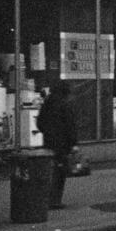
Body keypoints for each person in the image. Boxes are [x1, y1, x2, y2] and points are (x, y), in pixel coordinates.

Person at [38, 81, 79, 209]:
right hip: (62, 143)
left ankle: (46, 198)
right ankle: (55, 200)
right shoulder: (66, 104)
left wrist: (47, 132)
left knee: (49, 170)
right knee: (60, 172)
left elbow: (40, 122)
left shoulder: (48, 103)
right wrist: (73, 143)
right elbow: (70, 125)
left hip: (49, 141)